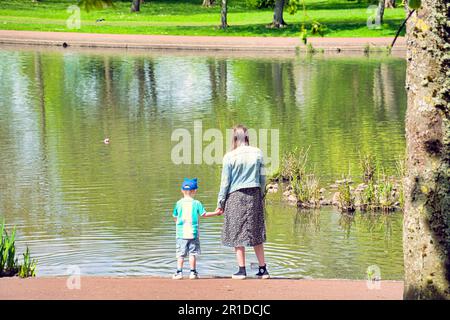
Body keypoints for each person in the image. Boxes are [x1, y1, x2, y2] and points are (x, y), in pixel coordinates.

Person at [216, 125, 270, 280]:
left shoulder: (229, 156)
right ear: (247, 137)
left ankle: (242, 270)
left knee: (237, 232)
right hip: (254, 194)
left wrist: (221, 202)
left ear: (234, 138)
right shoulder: (258, 152)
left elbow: (225, 182)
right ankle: (263, 269)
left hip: (235, 195)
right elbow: (263, 178)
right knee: (256, 231)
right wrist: (261, 195)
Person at [172, 178, 222, 280]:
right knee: (192, 254)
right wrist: (216, 213)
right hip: (193, 233)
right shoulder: (197, 203)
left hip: (181, 234)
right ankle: (193, 273)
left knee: (180, 254)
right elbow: (204, 214)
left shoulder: (178, 203)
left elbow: (175, 216)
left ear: (182, 190)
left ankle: (179, 272)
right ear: (195, 191)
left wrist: (178, 224)